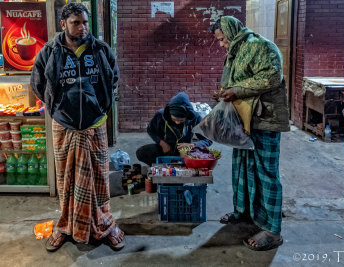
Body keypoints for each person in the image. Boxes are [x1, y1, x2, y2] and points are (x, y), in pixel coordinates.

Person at [30, 3, 124, 252]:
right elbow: (38, 84)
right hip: (64, 128)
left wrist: (98, 108)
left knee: (100, 179)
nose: (82, 28)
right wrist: (60, 108)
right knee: (66, 181)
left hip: (95, 126)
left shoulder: (101, 50)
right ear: (63, 24)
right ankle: (65, 227)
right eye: (76, 23)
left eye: (85, 23)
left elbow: (112, 79)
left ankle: (104, 225)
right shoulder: (50, 52)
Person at [210, 16, 290, 251]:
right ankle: (244, 212)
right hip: (245, 119)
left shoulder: (261, 46)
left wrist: (236, 90)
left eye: (222, 39)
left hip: (265, 119)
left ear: (231, 31)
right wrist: (226, 93)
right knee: (243, 167)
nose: (221, 45)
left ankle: (273, 231)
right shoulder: (237, 50)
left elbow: (272, 77)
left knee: (266, 173)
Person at [136, 92, 212, 166]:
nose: (177, 122)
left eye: (181, 120)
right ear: (170, 114)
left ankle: (184, 167)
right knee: (141, 153)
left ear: (187, 116)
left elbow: (208, 140)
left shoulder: (195, 118)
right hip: (166, 150)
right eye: (174, 119)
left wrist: (193, 145)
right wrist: (162, 143)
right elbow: (151, 130)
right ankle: (161, 168)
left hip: (186, 151)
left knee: (204, 158)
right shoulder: (160, 115)